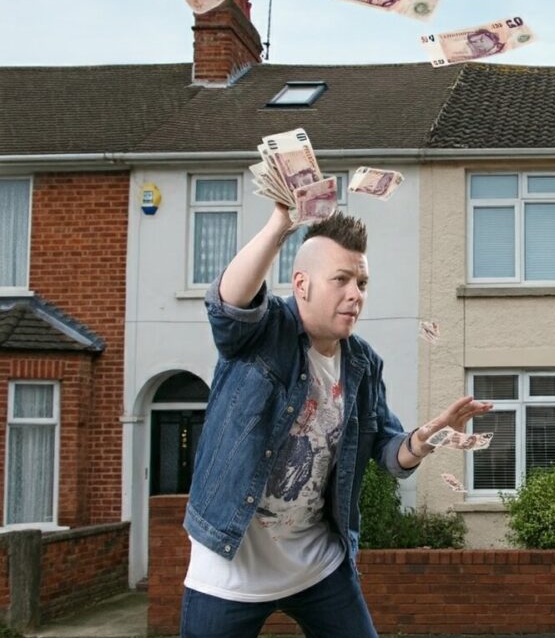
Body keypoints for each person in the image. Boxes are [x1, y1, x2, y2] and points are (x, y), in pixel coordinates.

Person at [180, 204, 491, 637]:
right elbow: (227, 305)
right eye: (341, 280)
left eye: (361, 282)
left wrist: (425, 438)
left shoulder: (363, 362)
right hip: (229, 567)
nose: (356, 294)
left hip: (318, 563)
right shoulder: (265, 332)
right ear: (301, 285)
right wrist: (280, 225)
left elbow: (387, 449)